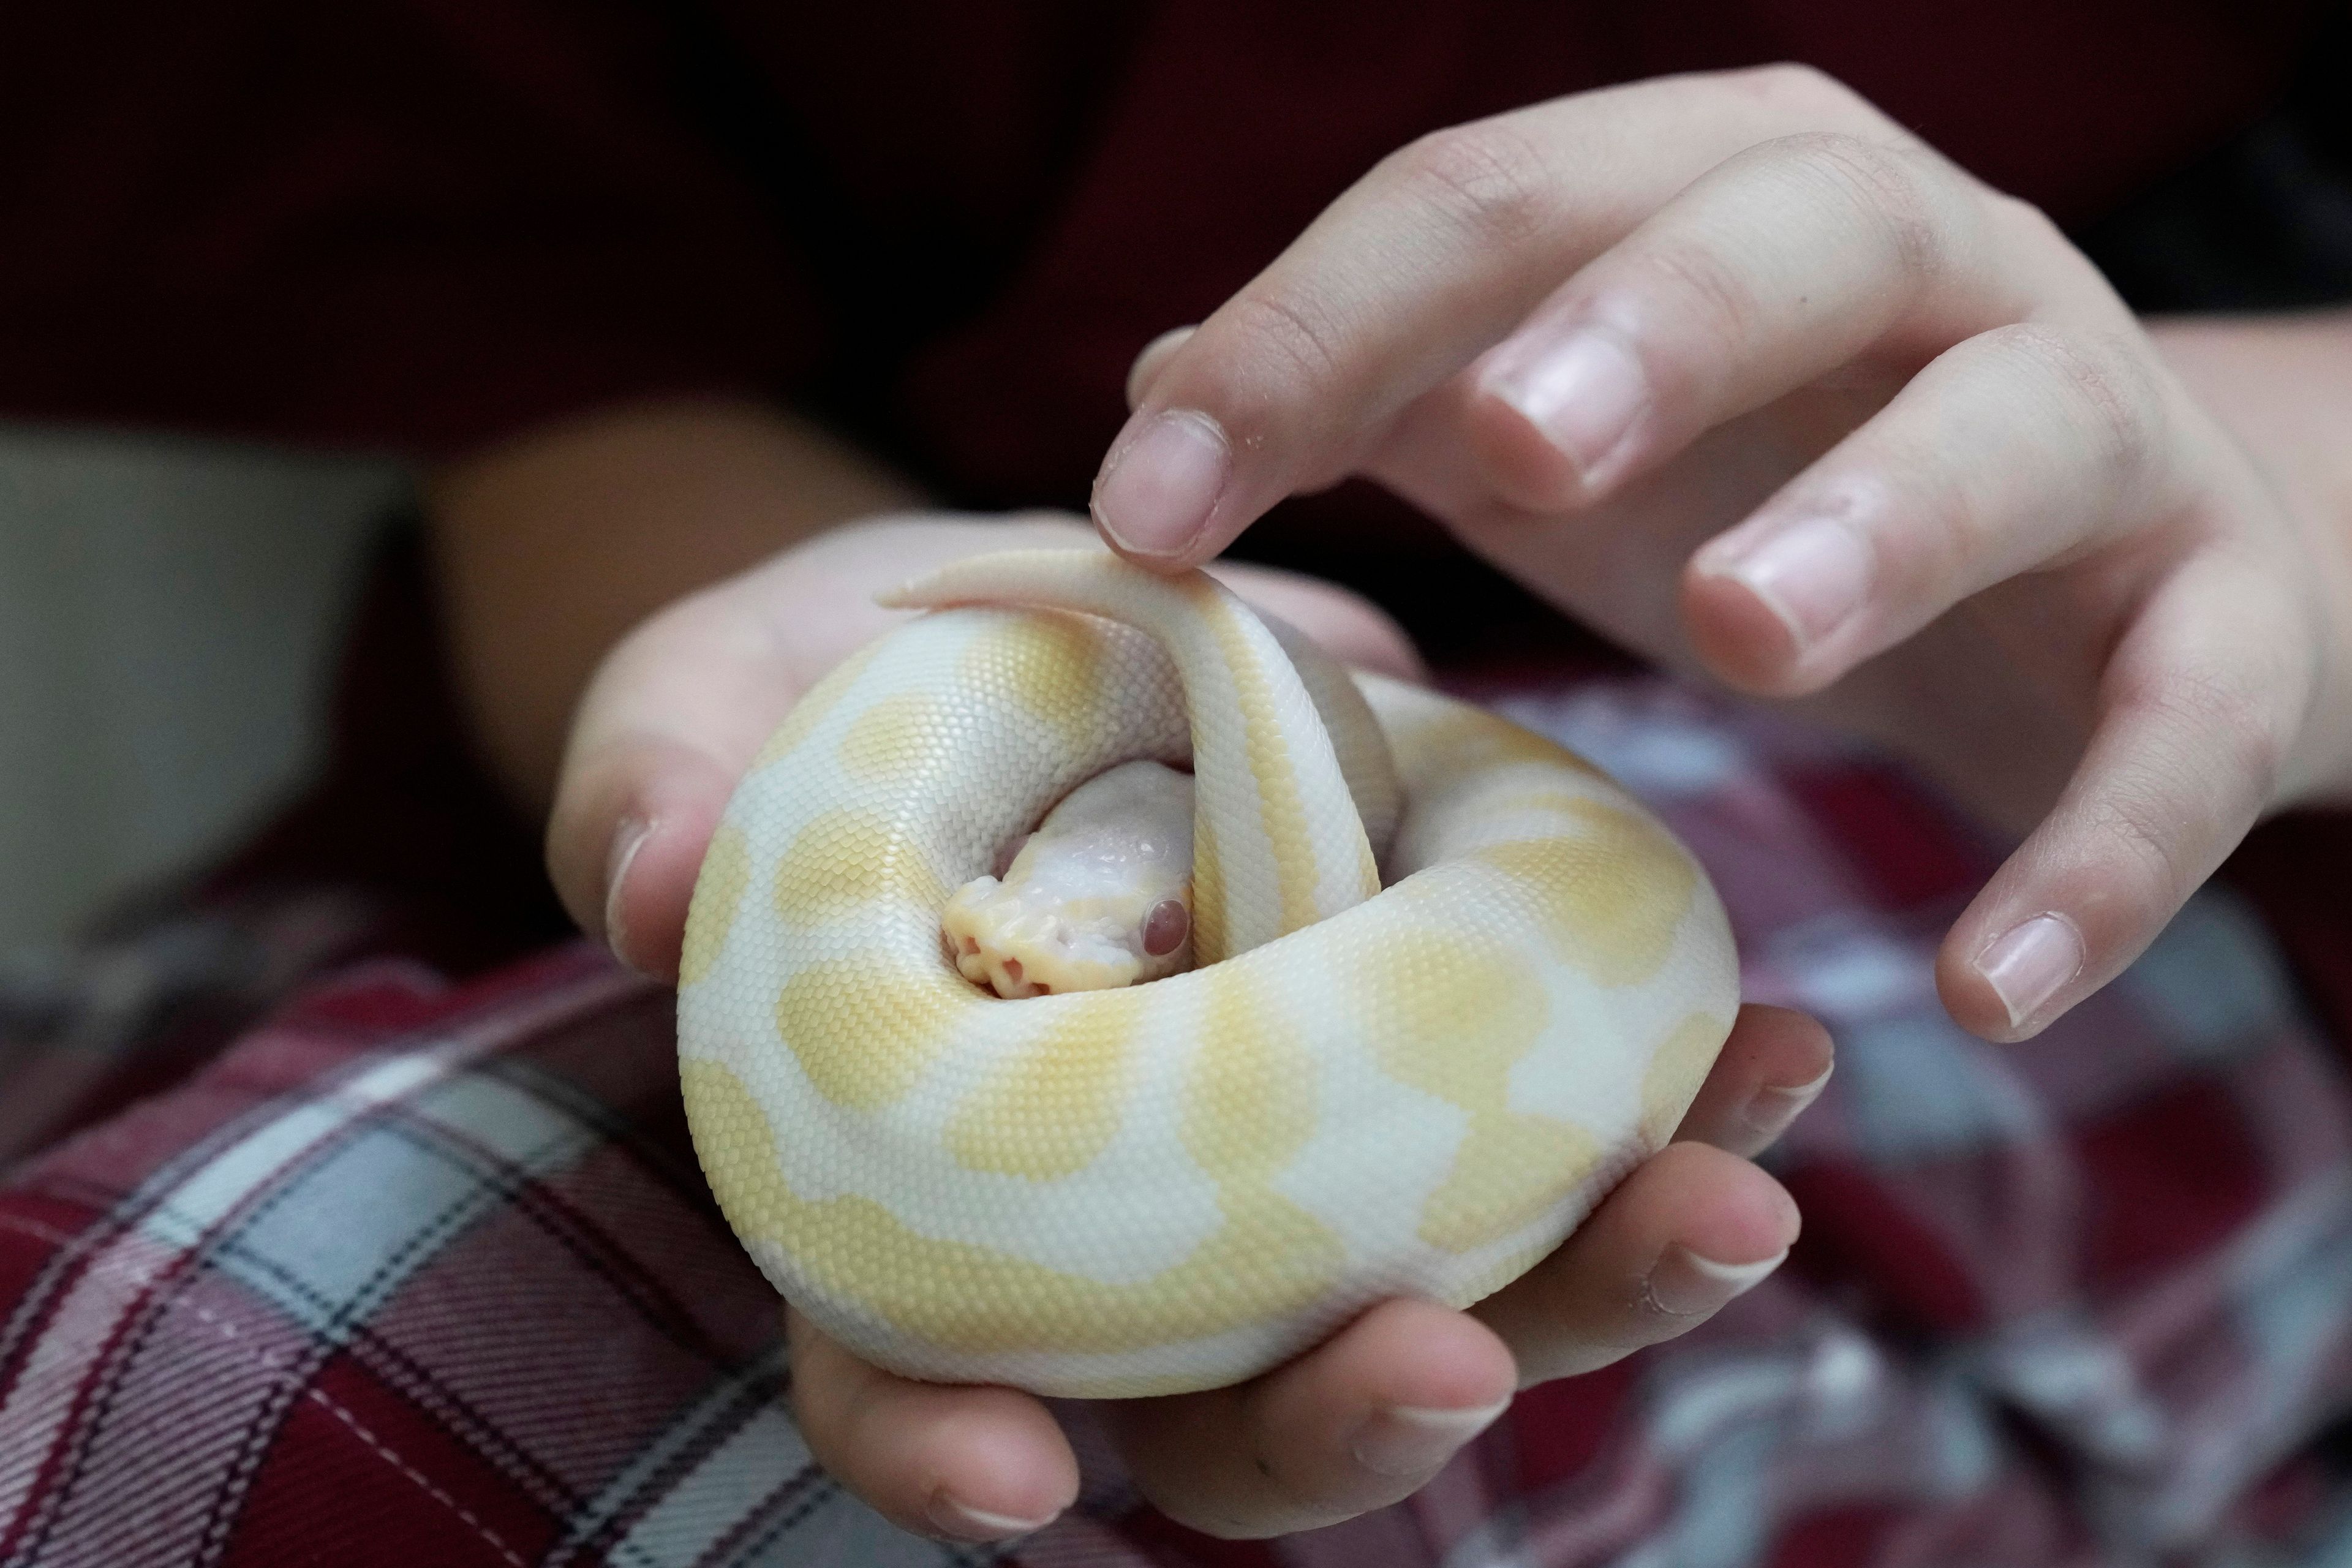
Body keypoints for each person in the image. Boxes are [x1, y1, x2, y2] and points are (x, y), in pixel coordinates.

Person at [1, 3, 2350, 1560]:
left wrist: (2219, 560)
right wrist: (792, 643)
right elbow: (541, 337)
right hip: (841, 643)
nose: (1038, 951)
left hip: (2080, 833)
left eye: (1094, 943)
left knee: (317, 1351)